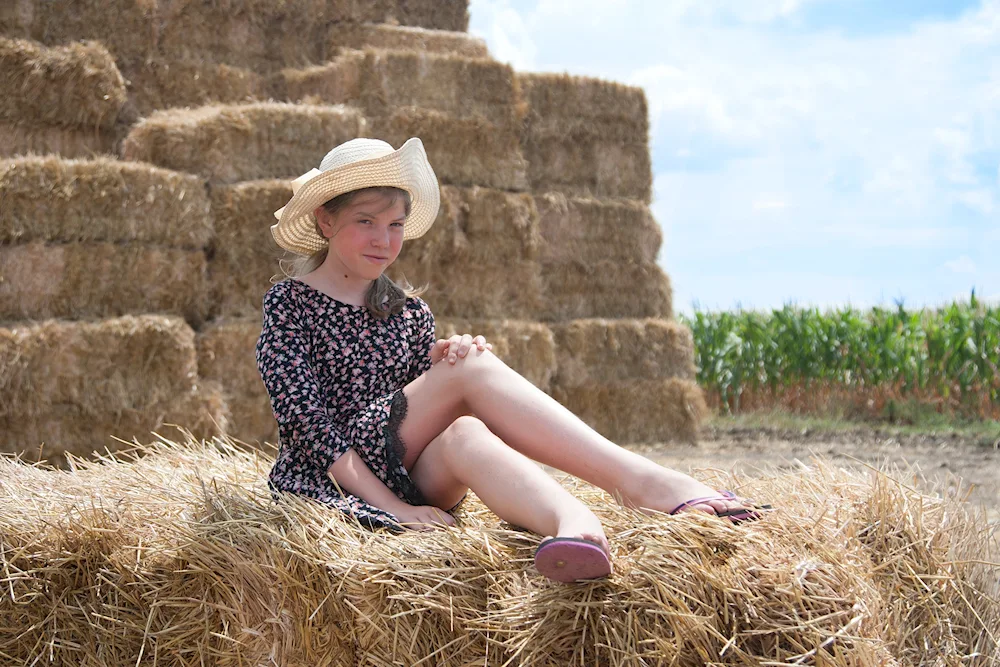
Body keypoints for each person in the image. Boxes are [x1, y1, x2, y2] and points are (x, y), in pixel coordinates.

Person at [256, 137, 766, 583]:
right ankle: (649, 485)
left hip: (408, 472)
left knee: (467, 432)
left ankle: (578, 527)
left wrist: (438, 361)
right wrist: (395, 510)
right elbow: (308, 427)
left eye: (394, 224)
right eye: (364, 221)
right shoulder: (290, 303)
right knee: (471, 370)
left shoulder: (410, 312)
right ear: (325, 220)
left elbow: (413, 413)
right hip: (332, 480)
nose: (383, 240)